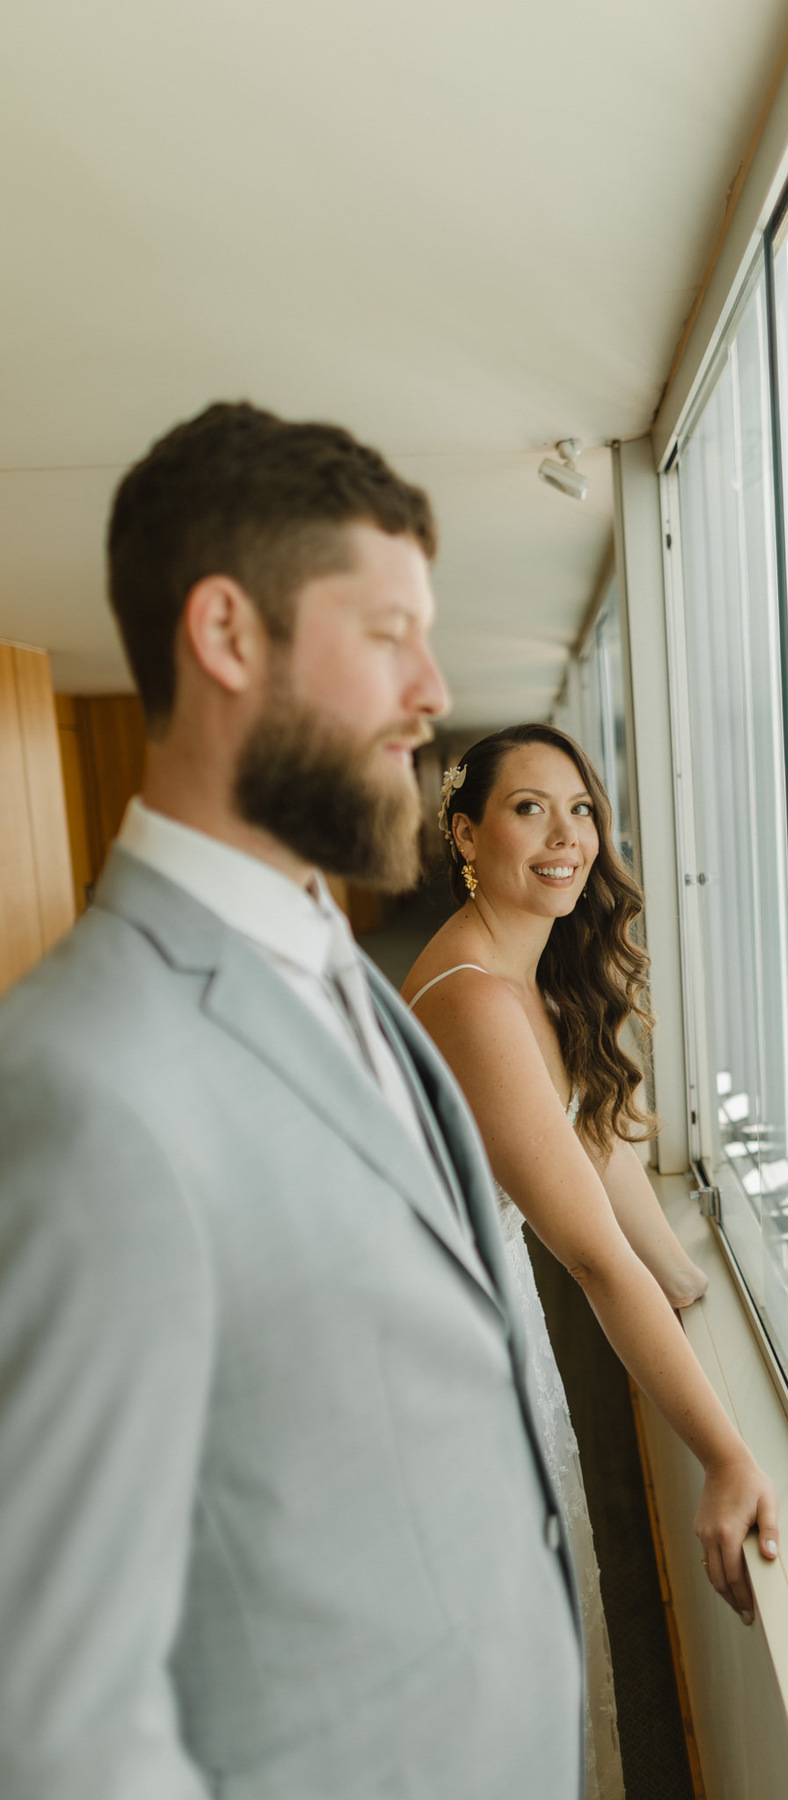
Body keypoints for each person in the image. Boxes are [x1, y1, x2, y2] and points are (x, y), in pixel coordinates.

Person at [0, 404, 583, 1800]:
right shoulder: (83, 1085)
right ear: (227, 634)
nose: (432, 688)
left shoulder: (340, 963)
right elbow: (57, 1721)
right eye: (388, 635)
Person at [402, 721, 780, 1800]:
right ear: (467, 834)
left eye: (582, 810)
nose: (567, 835)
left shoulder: (530, 969)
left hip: (485, 1320)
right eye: (530, 808)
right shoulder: (474, 996)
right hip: (445, 1352)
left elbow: (606, 1167)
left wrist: (699, 1283)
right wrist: (725, 1452)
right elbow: (596, 1259)